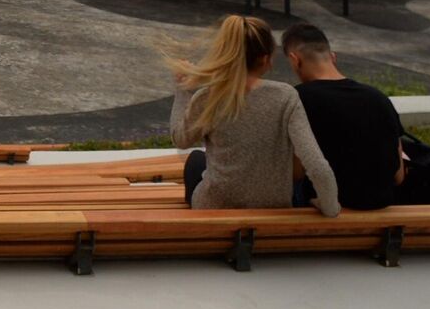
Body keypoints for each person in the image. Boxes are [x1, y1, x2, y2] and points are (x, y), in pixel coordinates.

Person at [169, 14, 340, 216]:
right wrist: (330, 208)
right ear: (265, 58)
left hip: (215, 207)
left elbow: (180, 139)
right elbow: (317, 166)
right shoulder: (286, 96)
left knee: (195, 161)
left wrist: (182, 90)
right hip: (273, 206)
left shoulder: (209, 97)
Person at [281, 22, 405, 210]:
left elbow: (295, 173)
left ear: (294, 60)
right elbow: (398, 176)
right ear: (333, 57)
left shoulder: (298, 99)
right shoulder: (378, 98)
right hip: (382, 210)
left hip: (329, 212)